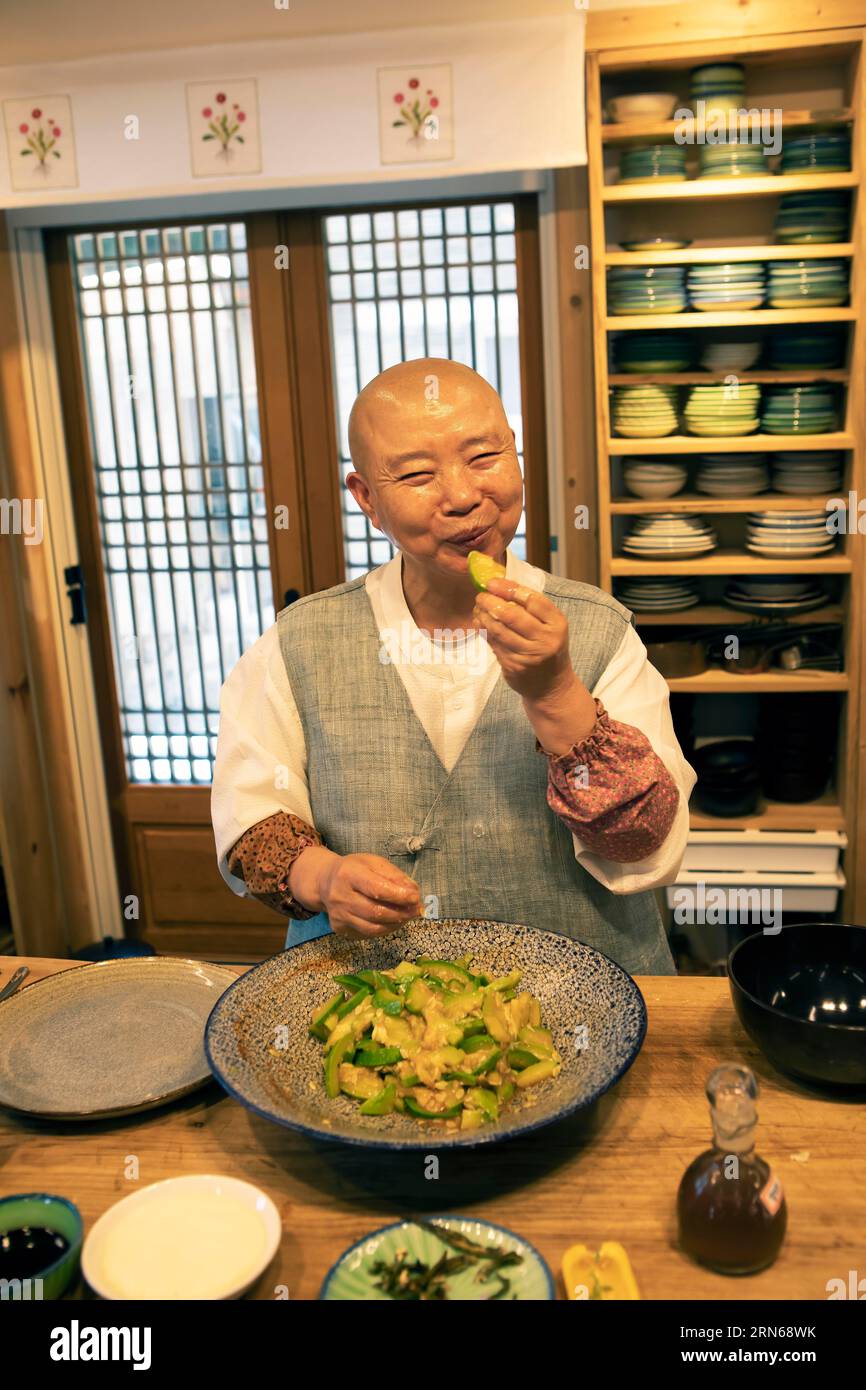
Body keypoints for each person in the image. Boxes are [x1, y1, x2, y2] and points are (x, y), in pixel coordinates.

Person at [211, 357, 696, 974]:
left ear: (516, 456)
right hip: (375, 1019)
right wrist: (323, 876)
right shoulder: (300, 641)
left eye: (485, 457)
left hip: (586, 1014)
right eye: (416, 474)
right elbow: (249, 816)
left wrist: (554, 693)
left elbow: (644, 844)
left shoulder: (601, 632)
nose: (464, 496)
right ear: (366, 498)